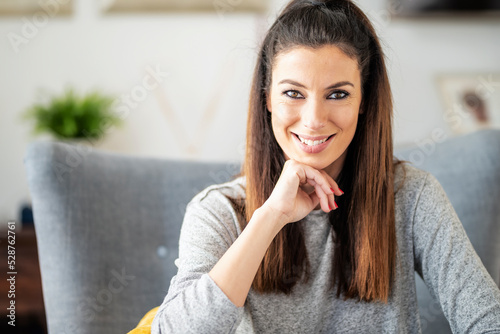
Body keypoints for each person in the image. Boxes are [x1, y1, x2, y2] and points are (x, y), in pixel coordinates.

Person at [151, 0, 500, 333]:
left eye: (338, 94)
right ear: (267, 98)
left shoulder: (411, 196)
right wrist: (269, 217)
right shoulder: (219, 210)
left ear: (364, 100)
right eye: (293, 93)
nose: (314, 120)